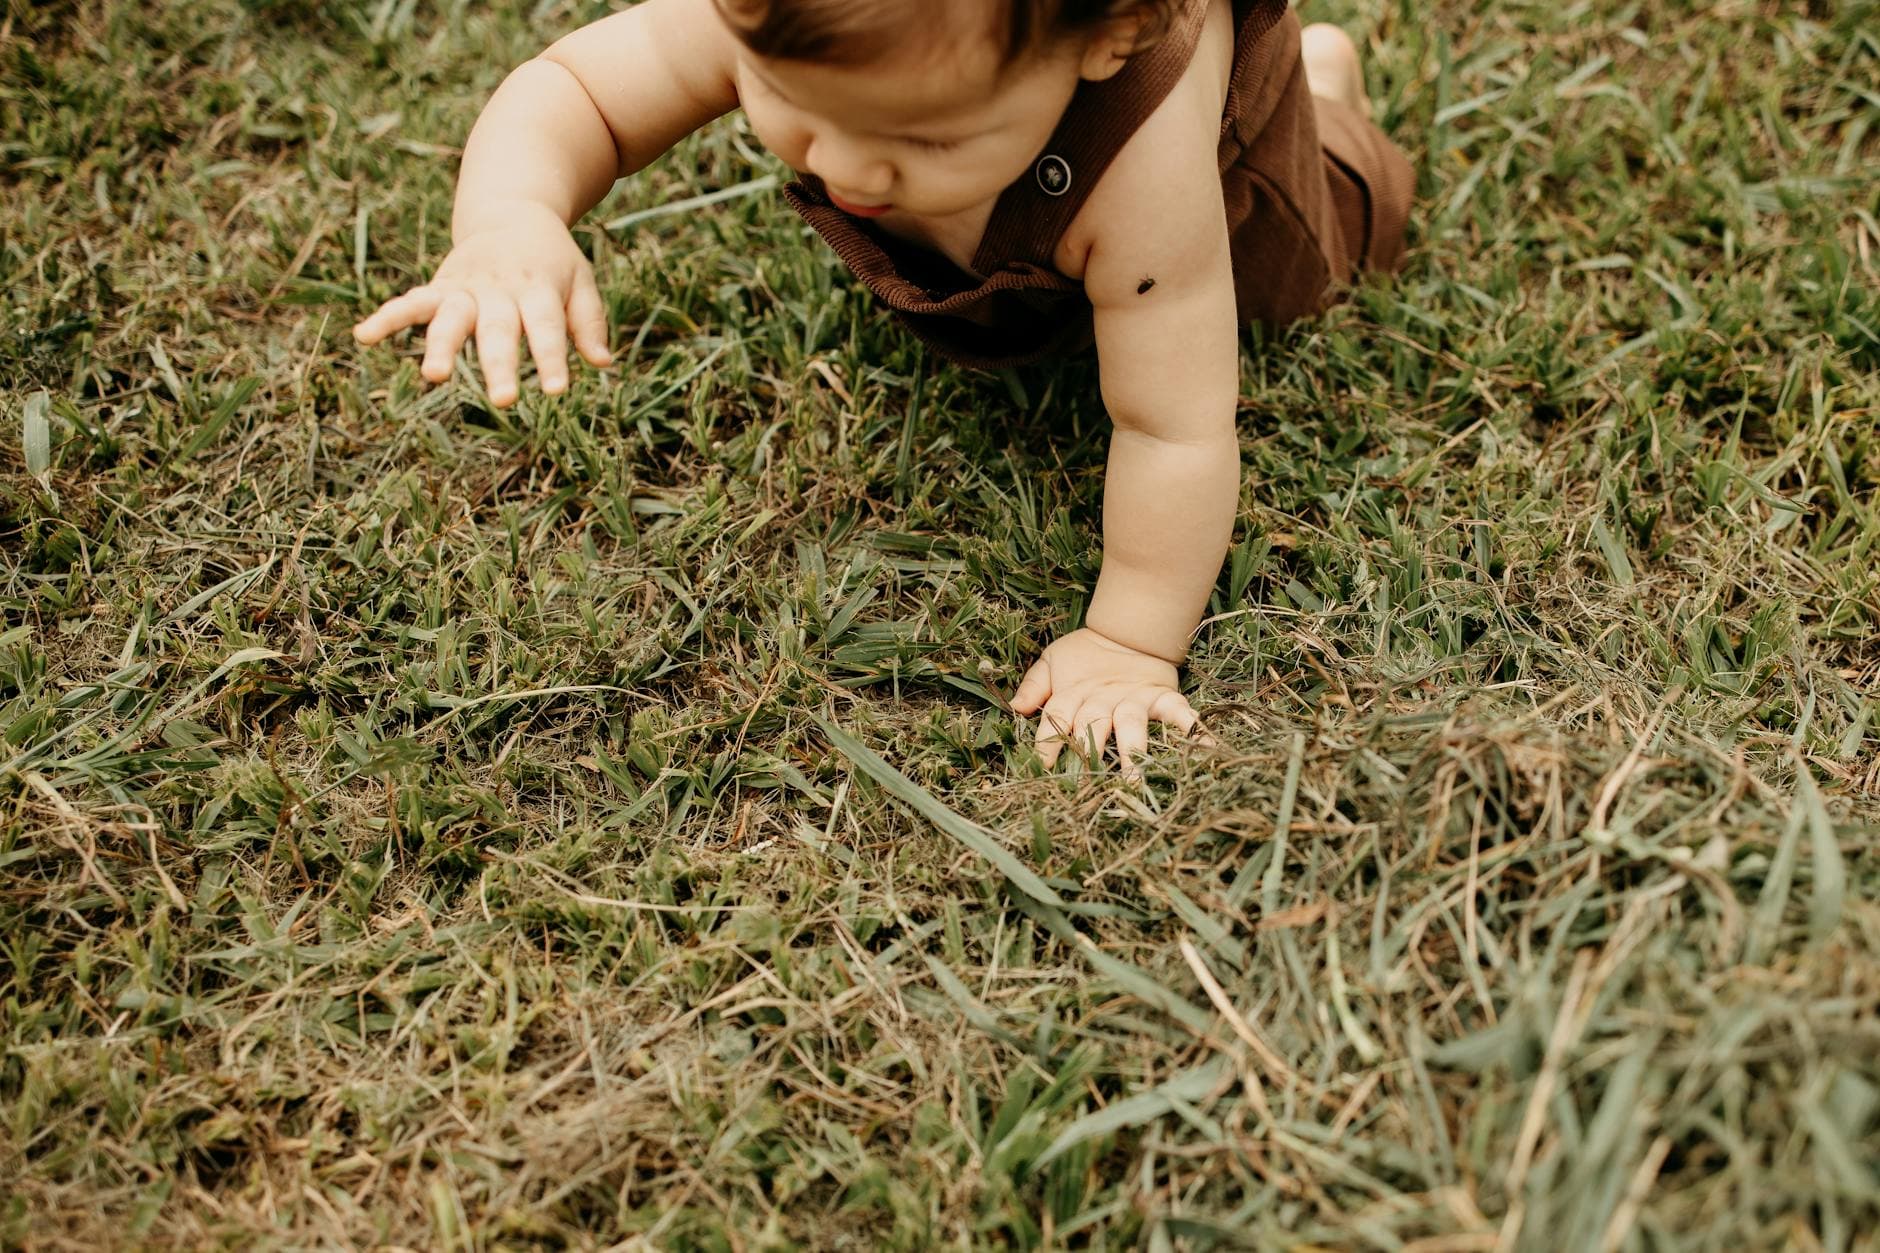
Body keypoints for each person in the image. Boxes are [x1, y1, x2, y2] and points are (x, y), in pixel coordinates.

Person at [351, 0, 1412, 773]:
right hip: (1030, 214)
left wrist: (1130, 639)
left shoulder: (1146, 170)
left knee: (1336, 233)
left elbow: (1172, 424)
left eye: (926, 134)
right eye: (787, 100)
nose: (848, 173)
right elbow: (577, 89)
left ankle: (1321, 90)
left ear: (1103, 38)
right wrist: (510, 219)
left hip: (1228, 192)